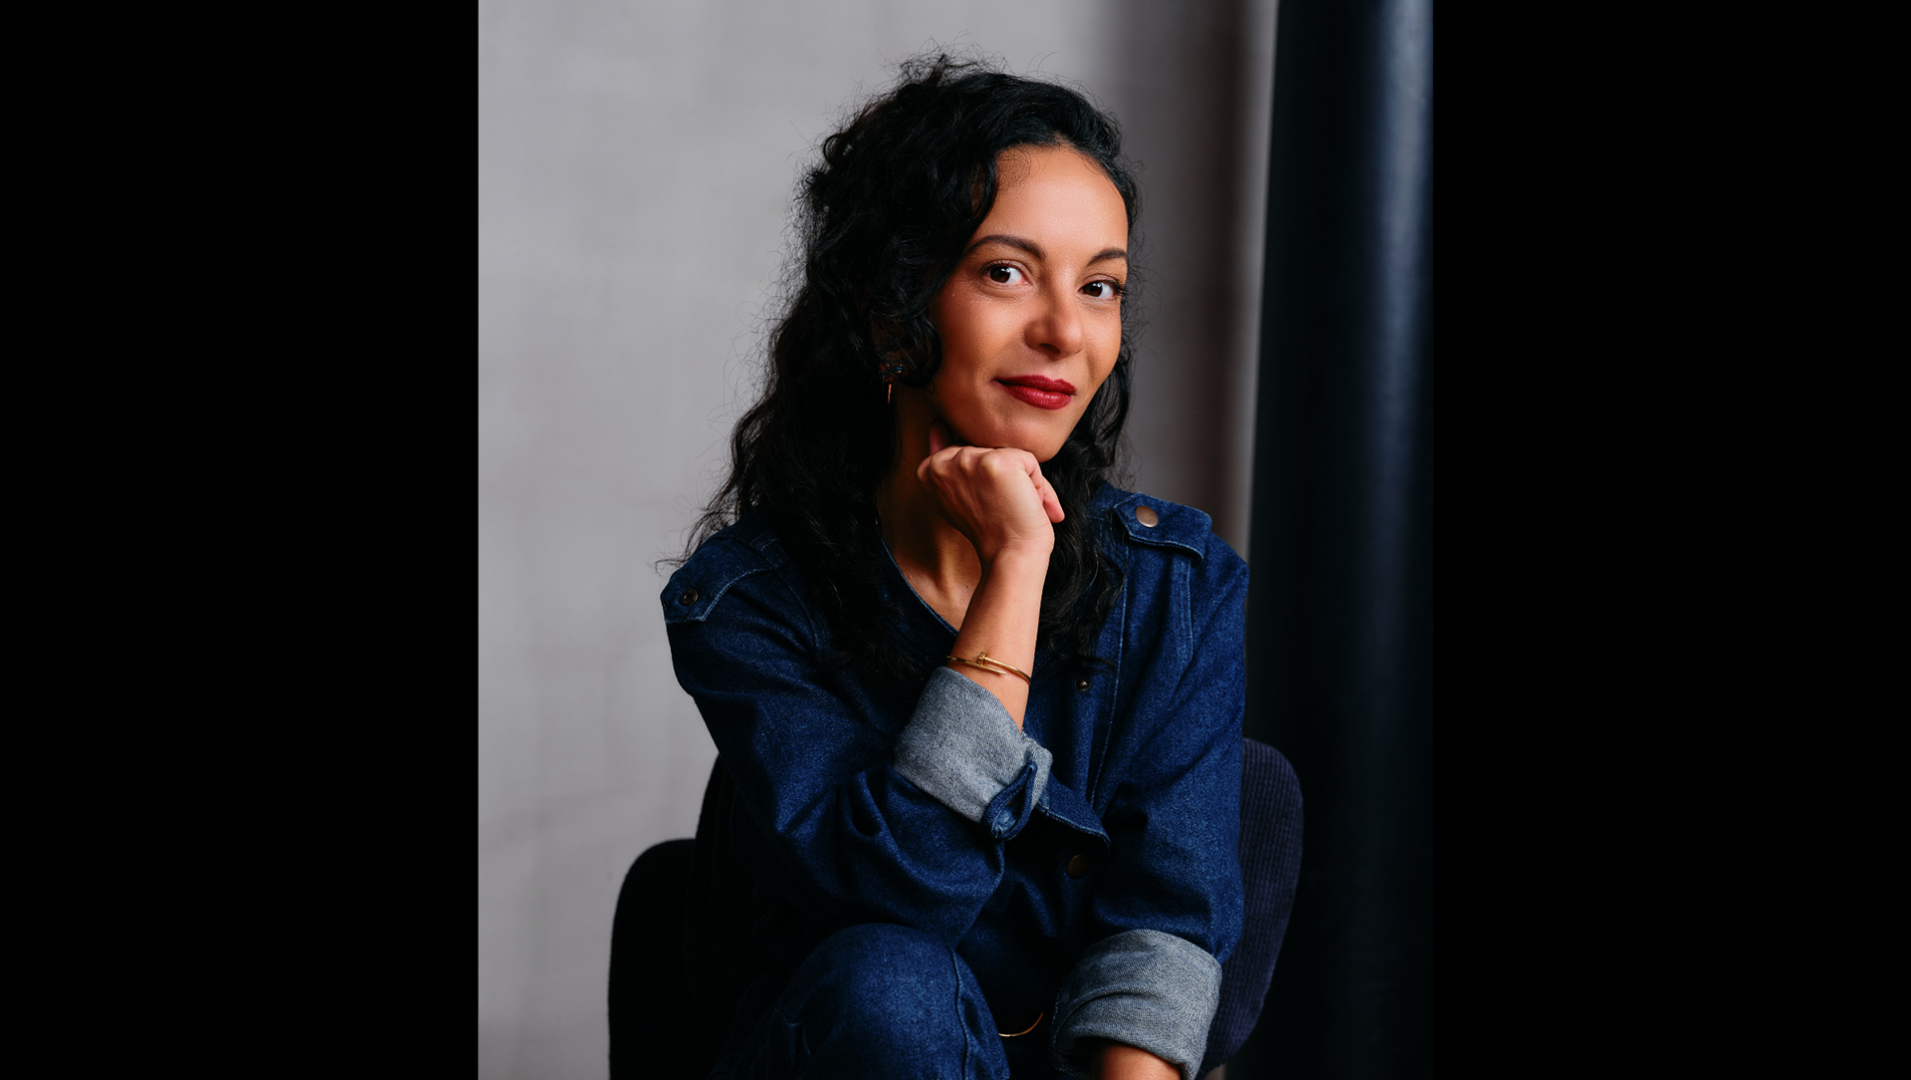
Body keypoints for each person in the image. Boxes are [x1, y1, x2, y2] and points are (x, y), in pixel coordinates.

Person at [663, 54, 1246, 1080]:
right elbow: (909, 901)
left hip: (1060, 1061)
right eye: (1006, 272)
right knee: (891, 981)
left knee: (1262, 802)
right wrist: (1017, 566)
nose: (1067, 331)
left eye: (1100, 285)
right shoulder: (745, 606)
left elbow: (1162, 925)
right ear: (893, 314)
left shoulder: (1177, 579)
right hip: (855, 1050)